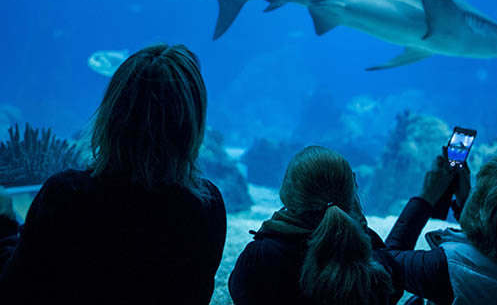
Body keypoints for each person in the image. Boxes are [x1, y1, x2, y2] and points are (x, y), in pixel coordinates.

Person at [0, 44, 226, 305]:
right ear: (191, 125)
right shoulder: (207, 205)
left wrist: (5, 226)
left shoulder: (66, 195)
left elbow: (15, 290)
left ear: (112, 113)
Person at [228, 145, 403, 305]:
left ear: (288, 193)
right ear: (352, 192)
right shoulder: (368, 246)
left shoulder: (260, 255)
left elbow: (240, 294)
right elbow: (394, 286)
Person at [384, 152, 497, 305]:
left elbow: (386, 262)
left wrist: (426, 197)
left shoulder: (448, 268)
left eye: (475, 191)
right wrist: (466, 205)